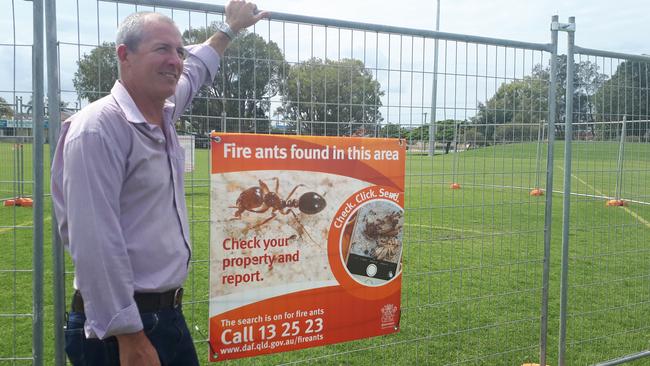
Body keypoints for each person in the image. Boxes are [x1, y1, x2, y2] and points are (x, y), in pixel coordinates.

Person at [51, 2, 269, 365]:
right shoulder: (98, 129)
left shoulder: (163, 114)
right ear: (125, 55)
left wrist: (230, 29)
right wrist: (131, 337)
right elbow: (94, 242)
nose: (175, 60)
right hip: (121, 329)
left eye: (178, 51)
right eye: (161, 49)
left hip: (166, 317)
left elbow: (197, 68)